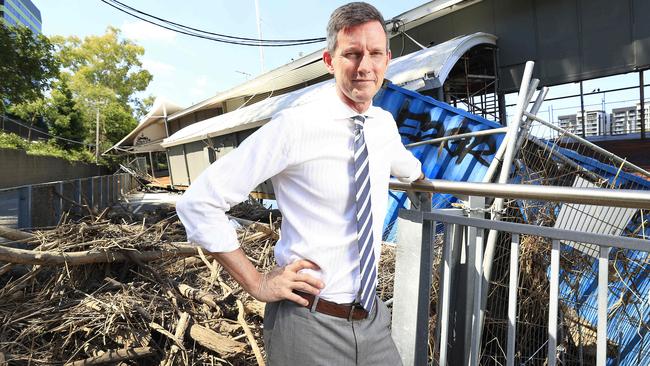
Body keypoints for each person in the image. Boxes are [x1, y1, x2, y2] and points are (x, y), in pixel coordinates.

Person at [176, 2, 423, 365]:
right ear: (329, 60)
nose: (364, 67)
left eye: (374, 54)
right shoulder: (295, 126)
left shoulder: (382, 124)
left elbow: (407, 166)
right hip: (309, 324)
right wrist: (257, 283)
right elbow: (198, 202)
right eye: (351, 54)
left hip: (372, 321)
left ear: (387, 59)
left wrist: (422, 182)